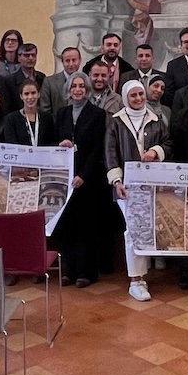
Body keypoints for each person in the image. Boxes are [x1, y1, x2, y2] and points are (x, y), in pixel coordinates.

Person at [105, 80, 171, 301]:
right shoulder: (115, 122)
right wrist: (117, 181)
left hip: (153, 185)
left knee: (149, 228)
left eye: (140, 94)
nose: (138, 99)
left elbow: (169, 143)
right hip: (126, 187)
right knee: (133, 229)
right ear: (126, 97)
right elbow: (110, 153)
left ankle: (144, 270)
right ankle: (136, 281)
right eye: (133, 95)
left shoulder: (156, 119)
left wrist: (155, 151)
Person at [53, 72, 108, 287]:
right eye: (73, 86)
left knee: (87, 226)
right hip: (66, 178)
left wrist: (83, 175)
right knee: (67, 225)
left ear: (87, 89)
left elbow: (97, 149)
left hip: (89, 179)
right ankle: (69, 271)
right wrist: (61, 144)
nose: (77, 89)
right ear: (68, 90)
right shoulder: (62, 113)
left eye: (81, 86)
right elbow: (55, 141)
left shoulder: (98, 114)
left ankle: (87, 272)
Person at [0, 80, 57, 147]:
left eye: (33, 93)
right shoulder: (11, 119)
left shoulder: (47, 118)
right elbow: (11, 144)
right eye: (26, 94)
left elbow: (51, 142)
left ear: (38, 94)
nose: (30, 97)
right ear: (21, 96)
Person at [0, 43, 46, 111]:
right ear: (19, 58)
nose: (31, 58)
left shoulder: (42, 77)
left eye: (33, 55)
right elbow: (6, 107)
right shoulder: (9, 81)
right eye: (26, 55)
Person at [41, 46, 82, 115]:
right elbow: (45, 110)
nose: (71, 64)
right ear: (62, 62)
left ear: (80, 60)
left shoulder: (86, 82)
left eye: (74, 60)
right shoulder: (49, 82)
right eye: (67, 61)